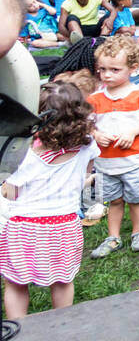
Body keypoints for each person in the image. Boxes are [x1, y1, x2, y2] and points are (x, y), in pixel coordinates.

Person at [1, 82, 101, 318]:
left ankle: (20, 328)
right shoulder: (88, 146)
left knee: (16, 283)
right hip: (65, 225)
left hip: (23, 227)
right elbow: (85, 177)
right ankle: (61, 326)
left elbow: (10, 193)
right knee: (62, 281)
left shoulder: (24, 153)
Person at [87, 36, 139, 258]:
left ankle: (138, 232)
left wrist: (132, 132)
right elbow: (88, 124)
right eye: (102, 69)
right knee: (114, 200)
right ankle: (113, 237)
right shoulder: (95, 98)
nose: (107, 75)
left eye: (114, 69)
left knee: (136, 199)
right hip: (106, 163)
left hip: (135, 160)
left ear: (133, 68)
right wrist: (96, 134)